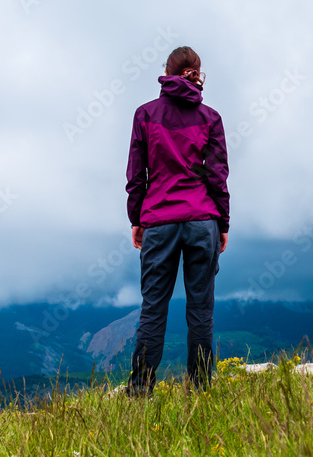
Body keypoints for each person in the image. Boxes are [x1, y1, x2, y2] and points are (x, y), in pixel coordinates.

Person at [125, 46, 230, 395]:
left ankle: (140, 390)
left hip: (159, 220)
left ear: (166, 71)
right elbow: (217, 177)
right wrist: (223, 223)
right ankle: (199, 390)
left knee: (153, 308)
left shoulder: (145, 115)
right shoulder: (211, 118)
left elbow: (136, 175)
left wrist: (137, 218)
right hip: (203, 220)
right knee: (201, 310)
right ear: (198, 73)